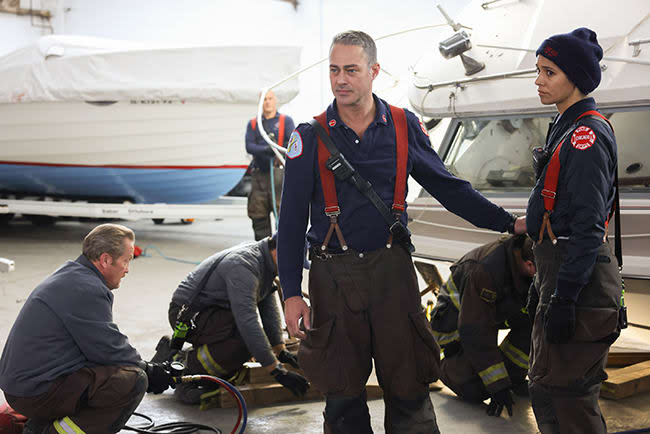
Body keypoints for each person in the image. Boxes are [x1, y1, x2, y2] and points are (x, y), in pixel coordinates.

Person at [277, 30, 526, 434]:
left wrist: (507, 222)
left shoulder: (402, 125)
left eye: (352, 70)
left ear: (374, 71)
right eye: (334, 70)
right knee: (341, 394)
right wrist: (290, 293)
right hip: (332, 278)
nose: (341, 80)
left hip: (393, 273)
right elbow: (289, 224)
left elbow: (448, 187)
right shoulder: (308, 136)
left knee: (409, 385)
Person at [526, 28, 623, 433]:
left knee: (570, 399)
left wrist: (564, 297)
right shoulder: (566, 127)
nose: (539, 80)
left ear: (576, 78)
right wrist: (544, 287)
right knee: (547, 388)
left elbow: (586, 226)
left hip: (577, 280)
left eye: (549, 72)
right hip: (560, 272)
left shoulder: (585, 136)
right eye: (538, 71)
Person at [0, 224, 172, 434]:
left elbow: (99, 347)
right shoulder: (87, 289)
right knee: (133, 381)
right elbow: (109, 349)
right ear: (106, 260)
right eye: (126, 261)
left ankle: (37, 428)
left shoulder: (73, 274)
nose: (127, 269)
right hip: (34, 391)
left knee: (110, 371)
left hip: (24, 384)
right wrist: (149, 371)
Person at [152, 234, 309, 405]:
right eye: (294, 264)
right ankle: (184, 370)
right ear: (280, 253)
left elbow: (267, 308)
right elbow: (248, 323)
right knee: (244, 342)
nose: (295, 271)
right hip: (188, 317)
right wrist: (276, 371)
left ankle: (176, 354)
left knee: (248, 342)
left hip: (214, 315)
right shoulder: (244, 266)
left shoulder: (264, 261)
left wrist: (280, 350)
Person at [429, 234, 536, 418]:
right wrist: (498, 385)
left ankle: (515, 379)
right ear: (529, 265)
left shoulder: (525, 263)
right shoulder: (487, 270)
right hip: (455, 330)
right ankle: (444, 368)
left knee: (533, 320)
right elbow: (476, 330)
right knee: (474, 391)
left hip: (488, 314)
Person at [245, 90, 296, 241]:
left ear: (275, 101)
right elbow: (249, 146)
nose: (267, 102)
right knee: (258, 216)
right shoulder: (254, 124)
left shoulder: (286, 122)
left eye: (270, 98)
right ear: (260, 102)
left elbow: (292, 144)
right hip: (259, 177)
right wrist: (265, 149)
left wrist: (274, 149)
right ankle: (263, 254)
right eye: (264, 99)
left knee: (284, 217)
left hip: (279, 177)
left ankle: (283, 254)